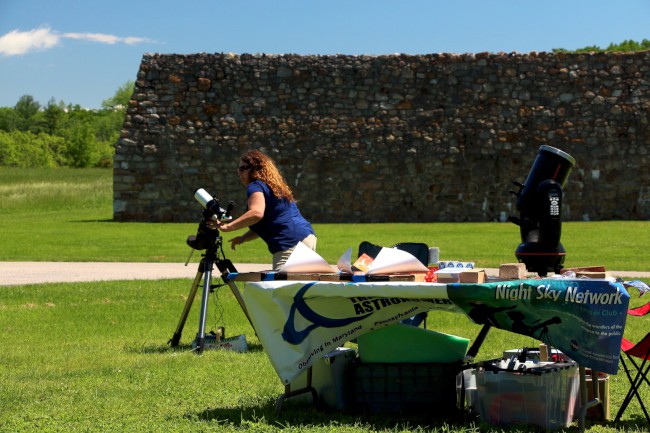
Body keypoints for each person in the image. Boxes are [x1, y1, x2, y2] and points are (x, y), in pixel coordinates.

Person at [213, 149, 317, 270]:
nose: (239, 173)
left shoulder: (255, 186)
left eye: (243, 169)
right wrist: (243, 238)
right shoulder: (274, 186)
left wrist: (228, 227)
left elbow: (256, 213)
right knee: (299, 286)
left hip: (289, 242)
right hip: (306, 237)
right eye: (238, 169)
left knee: (282, 287)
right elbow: (267, 222)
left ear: (255, 169)